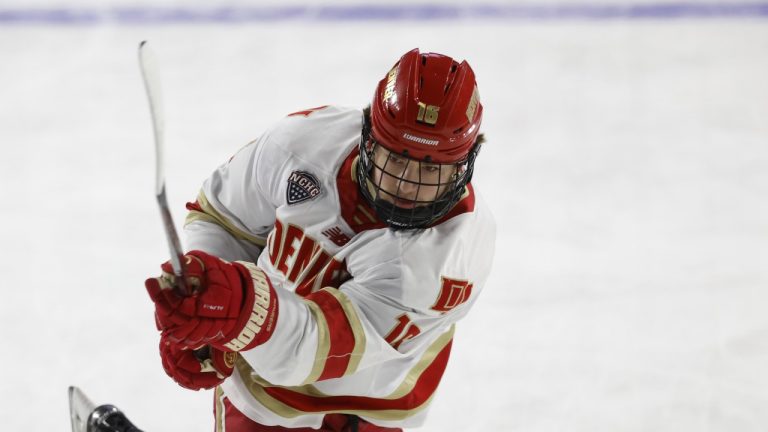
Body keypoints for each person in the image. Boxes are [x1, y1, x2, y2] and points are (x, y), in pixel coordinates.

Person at [145, 48, 496, 432]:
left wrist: (237, 313)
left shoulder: (445, 260)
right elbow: (223, 217)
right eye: (395, 158)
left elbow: (312, 350)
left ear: (465, 164)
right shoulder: (302, 143)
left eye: (430, 168)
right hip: (264, 396)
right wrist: (206, 298)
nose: (404, 185)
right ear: (368, 134)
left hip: (374, 406)